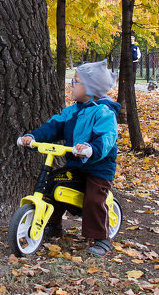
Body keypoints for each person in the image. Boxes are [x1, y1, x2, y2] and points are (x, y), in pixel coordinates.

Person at [17, 59, 120, 257]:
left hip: (98, 168)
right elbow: (53, 127)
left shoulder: (104, 112)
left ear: (90, 89)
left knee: (93, 199)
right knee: (53, 185)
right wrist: (33, 137)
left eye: (76, 82)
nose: (71, 85)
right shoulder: (71, 111)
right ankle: (53, 225)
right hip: (76, 165)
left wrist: (90, 148)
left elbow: (106, 138)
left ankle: (102, 238)